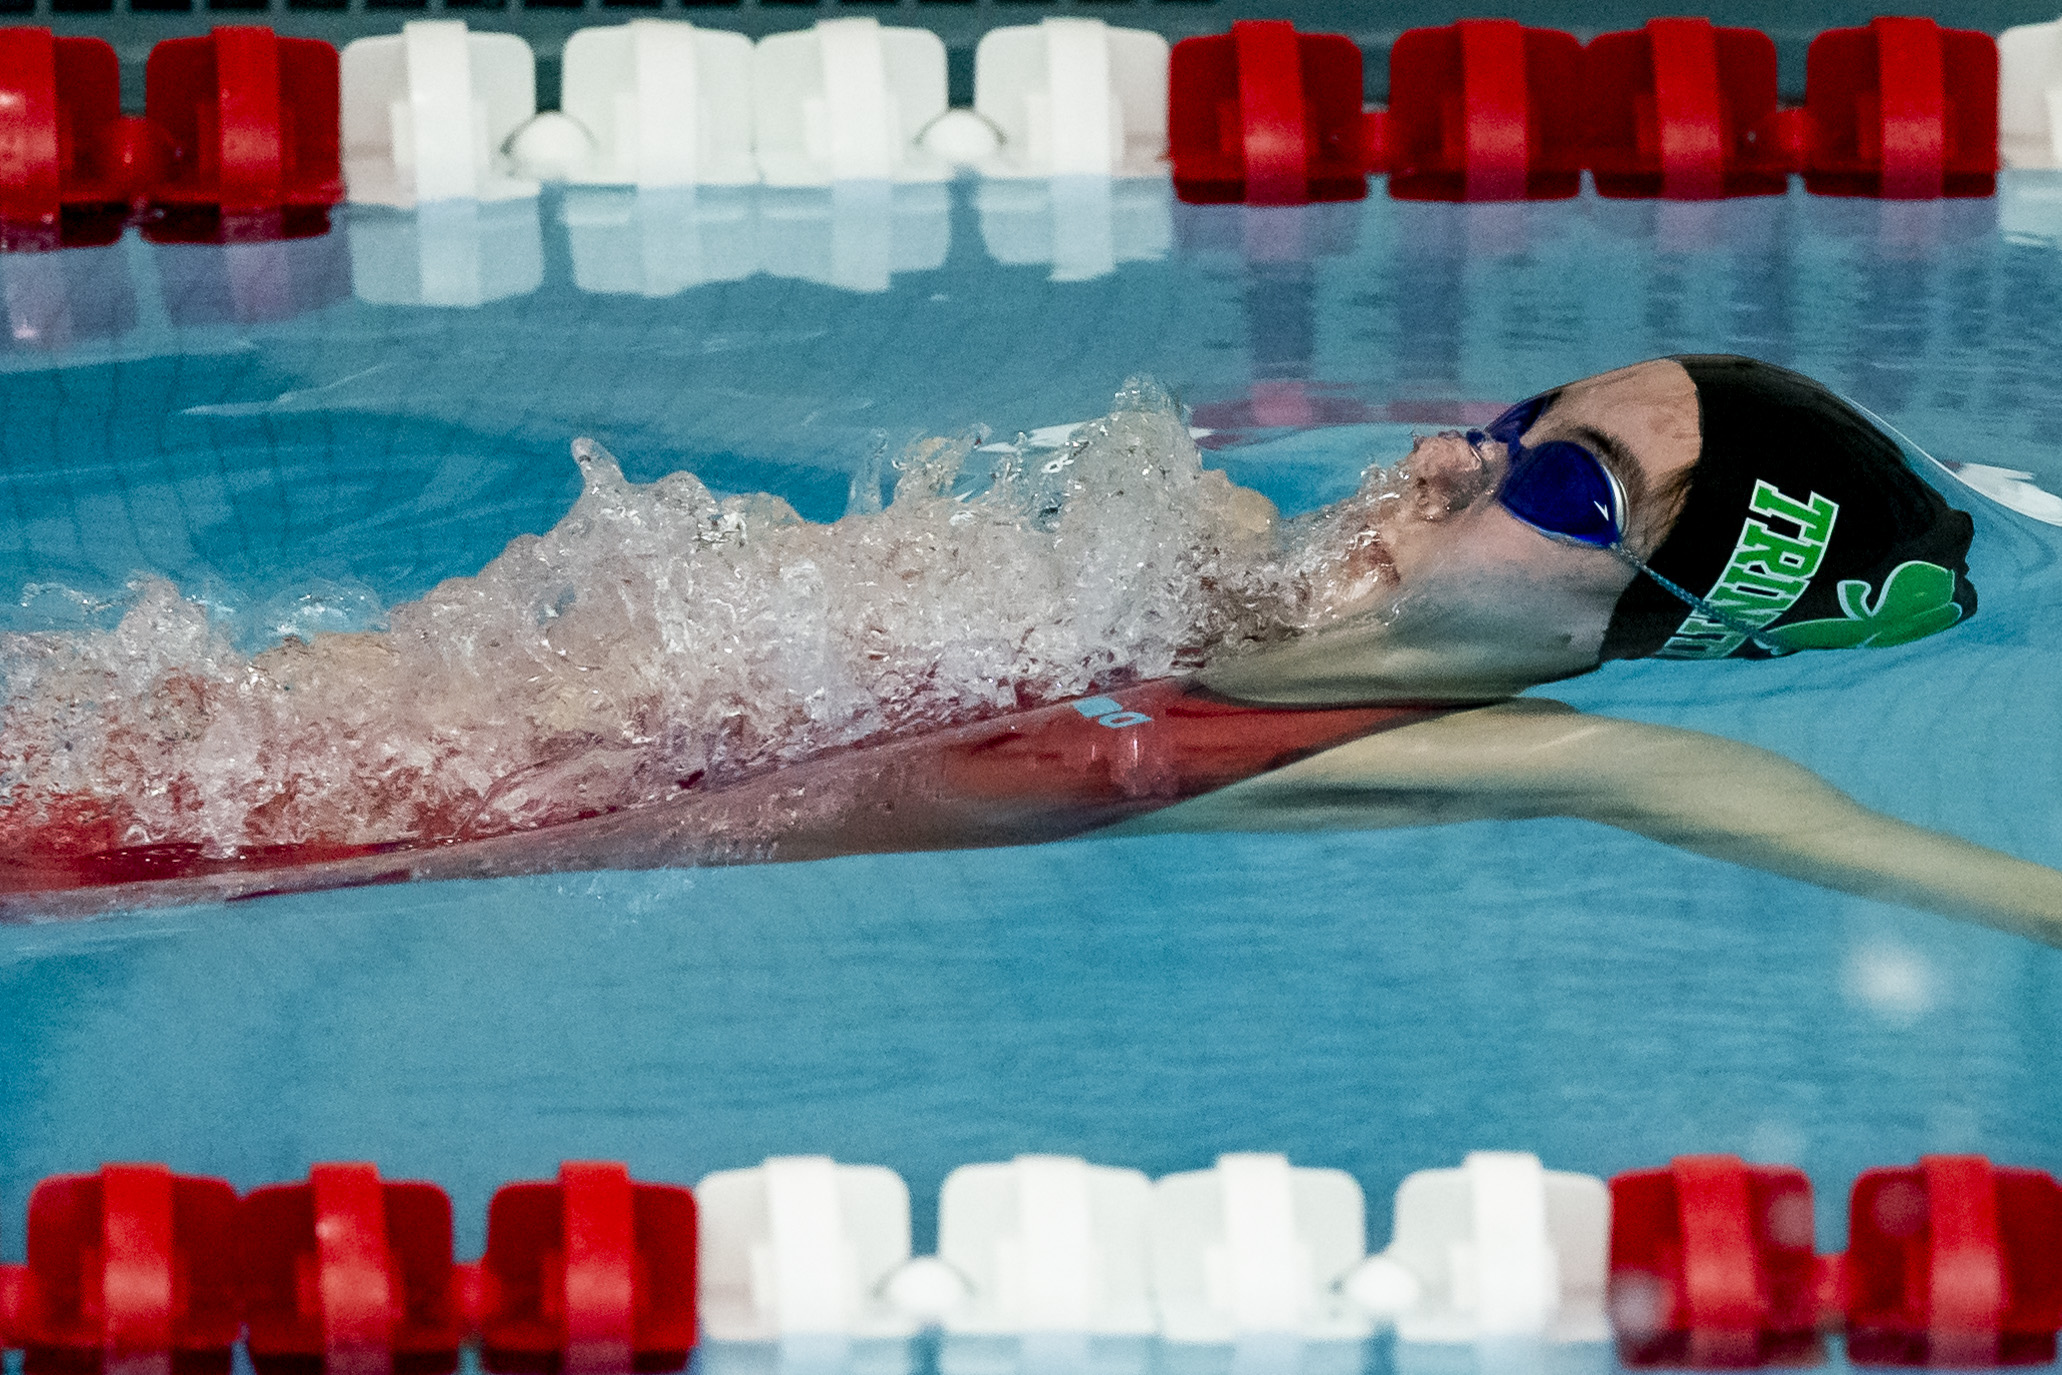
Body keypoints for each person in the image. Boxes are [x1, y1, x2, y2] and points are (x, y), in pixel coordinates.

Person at [3, 355, 2059, 943]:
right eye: (1522, 413)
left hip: (242, 852)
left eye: (1560, 488)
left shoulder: (1482, 750)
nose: (1454, 452)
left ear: (1634, 637)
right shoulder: (1197, 536)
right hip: (233, 774)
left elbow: (1942, 876)